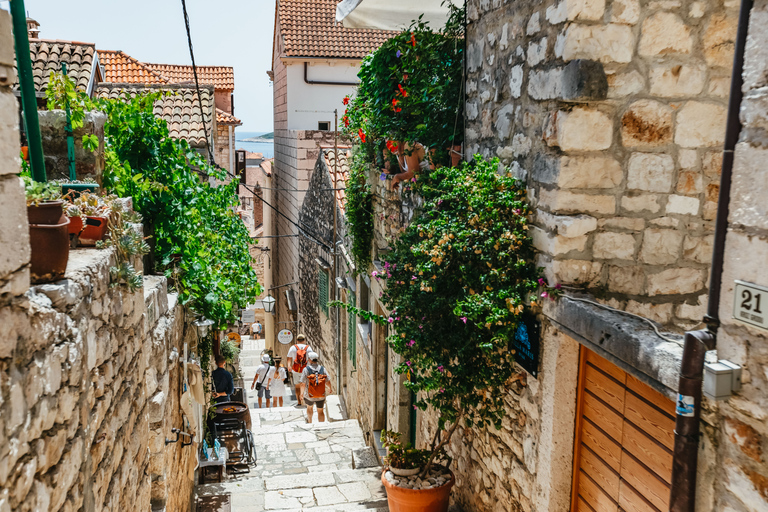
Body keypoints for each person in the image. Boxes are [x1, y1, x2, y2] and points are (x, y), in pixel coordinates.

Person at [300, 352, 332, 423]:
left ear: (310, 360)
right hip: (321, 394)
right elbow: (327, 381)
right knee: (320, 410)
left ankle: (310, 421)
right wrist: (330, 388)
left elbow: (303, 383)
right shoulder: (322, 369)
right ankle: (321, 424)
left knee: (309, 407)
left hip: (309, 395)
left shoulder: (306, 369)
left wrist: (301, 394)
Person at [286, 334, 312, 406]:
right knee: (305, 385)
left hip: (296, 370)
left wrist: (289, 366)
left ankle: (299, 402)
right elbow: (311, 359)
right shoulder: (308, 348)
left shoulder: (293, 348)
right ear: (304, 340)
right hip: (306, 370)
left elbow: (289, 358)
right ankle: (306, 401)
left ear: (297, 340)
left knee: (297, 386)